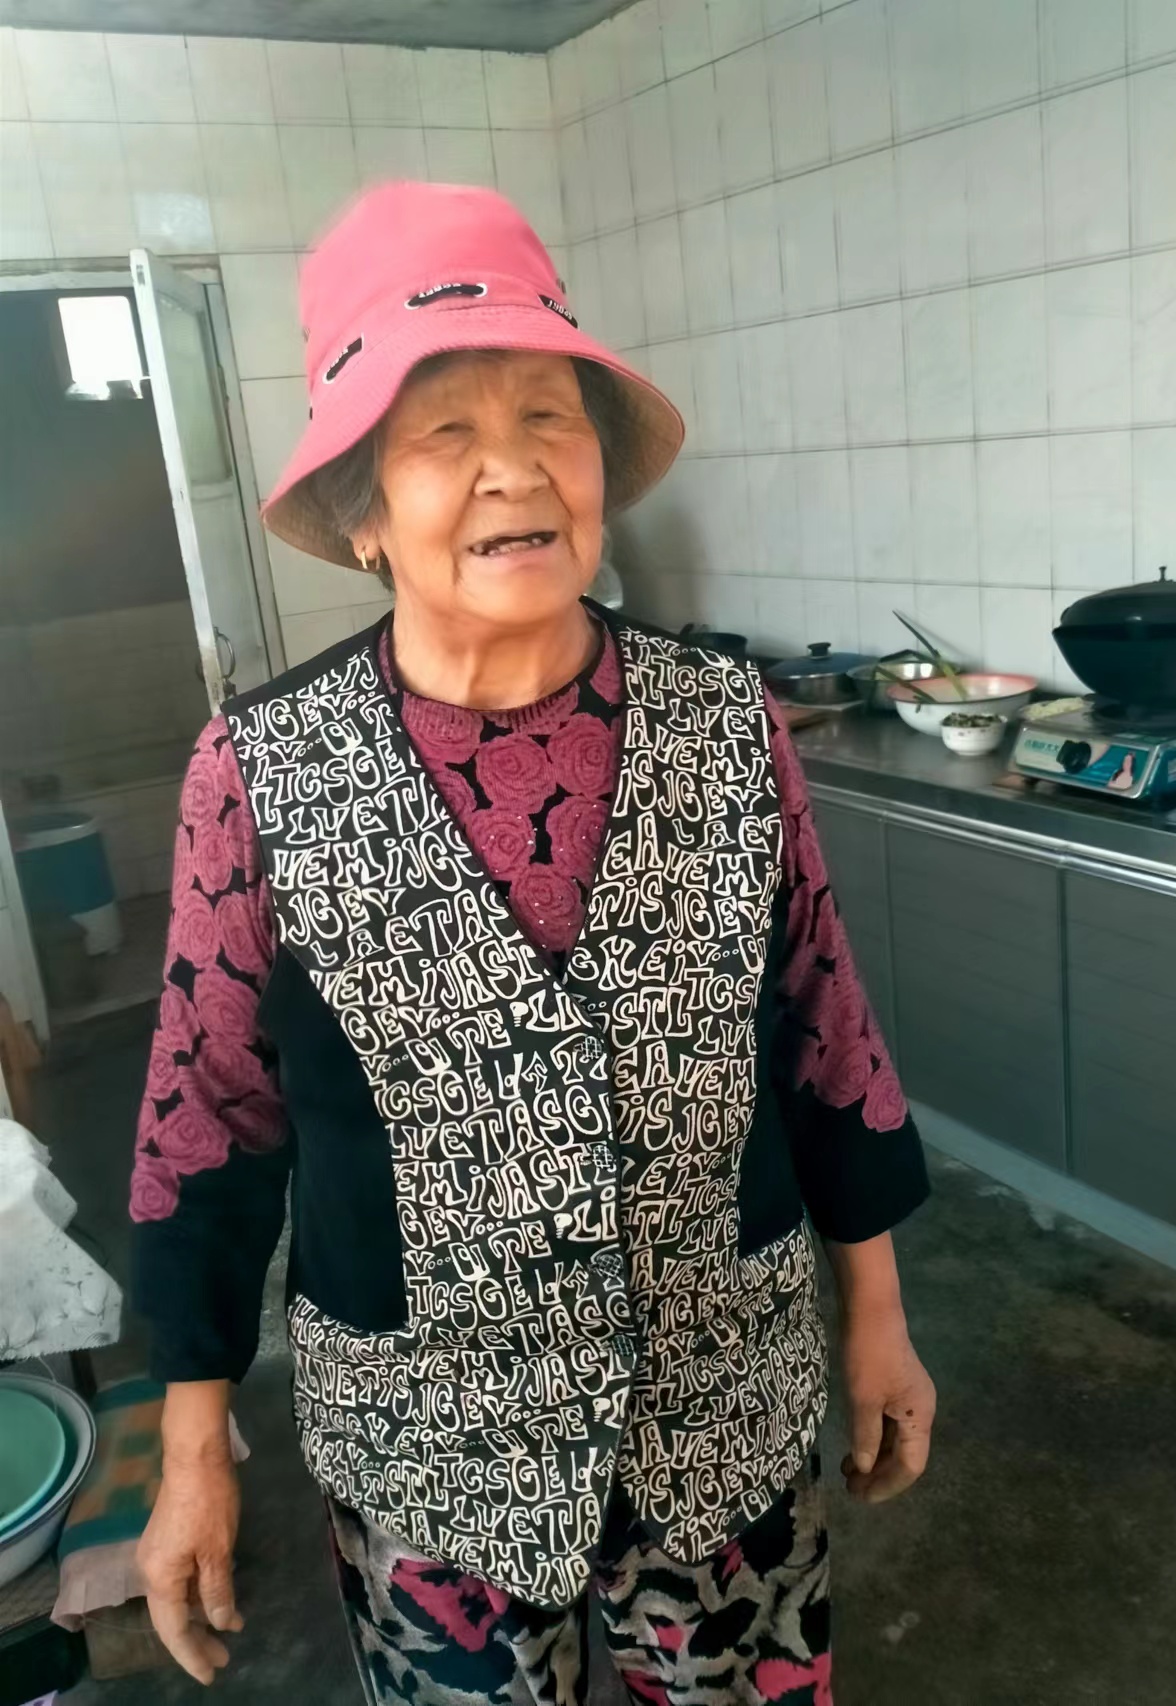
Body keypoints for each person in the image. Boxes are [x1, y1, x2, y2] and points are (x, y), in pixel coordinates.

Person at [129, 181, 936, 1705]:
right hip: (431, 1459)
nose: (514, 467)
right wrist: (191, 1444)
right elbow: (206, 1121)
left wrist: (878, 1315)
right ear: (363, 509)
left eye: (548, 416)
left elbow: (824, 1024)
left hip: (726, 1418)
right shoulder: (256, 774)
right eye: (445, 432)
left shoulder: (727, 723)